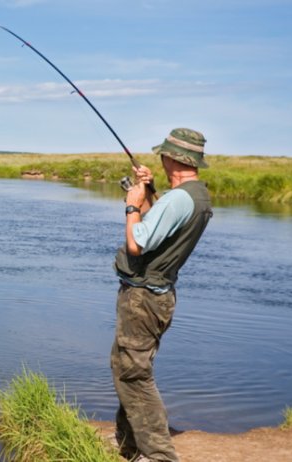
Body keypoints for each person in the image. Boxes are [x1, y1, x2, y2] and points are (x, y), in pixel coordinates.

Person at [110, 128, 213, 462]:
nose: (160, 158)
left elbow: (137, 243)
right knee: (126, 366)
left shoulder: (180, 199)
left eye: (163, 154)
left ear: (173, 158)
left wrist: (131, 205)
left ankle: (158, 455)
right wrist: (152, 190)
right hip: (154, 296)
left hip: (143, 299)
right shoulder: (193, 195)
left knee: (134, 374)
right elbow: (165, 224)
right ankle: (128, 445)